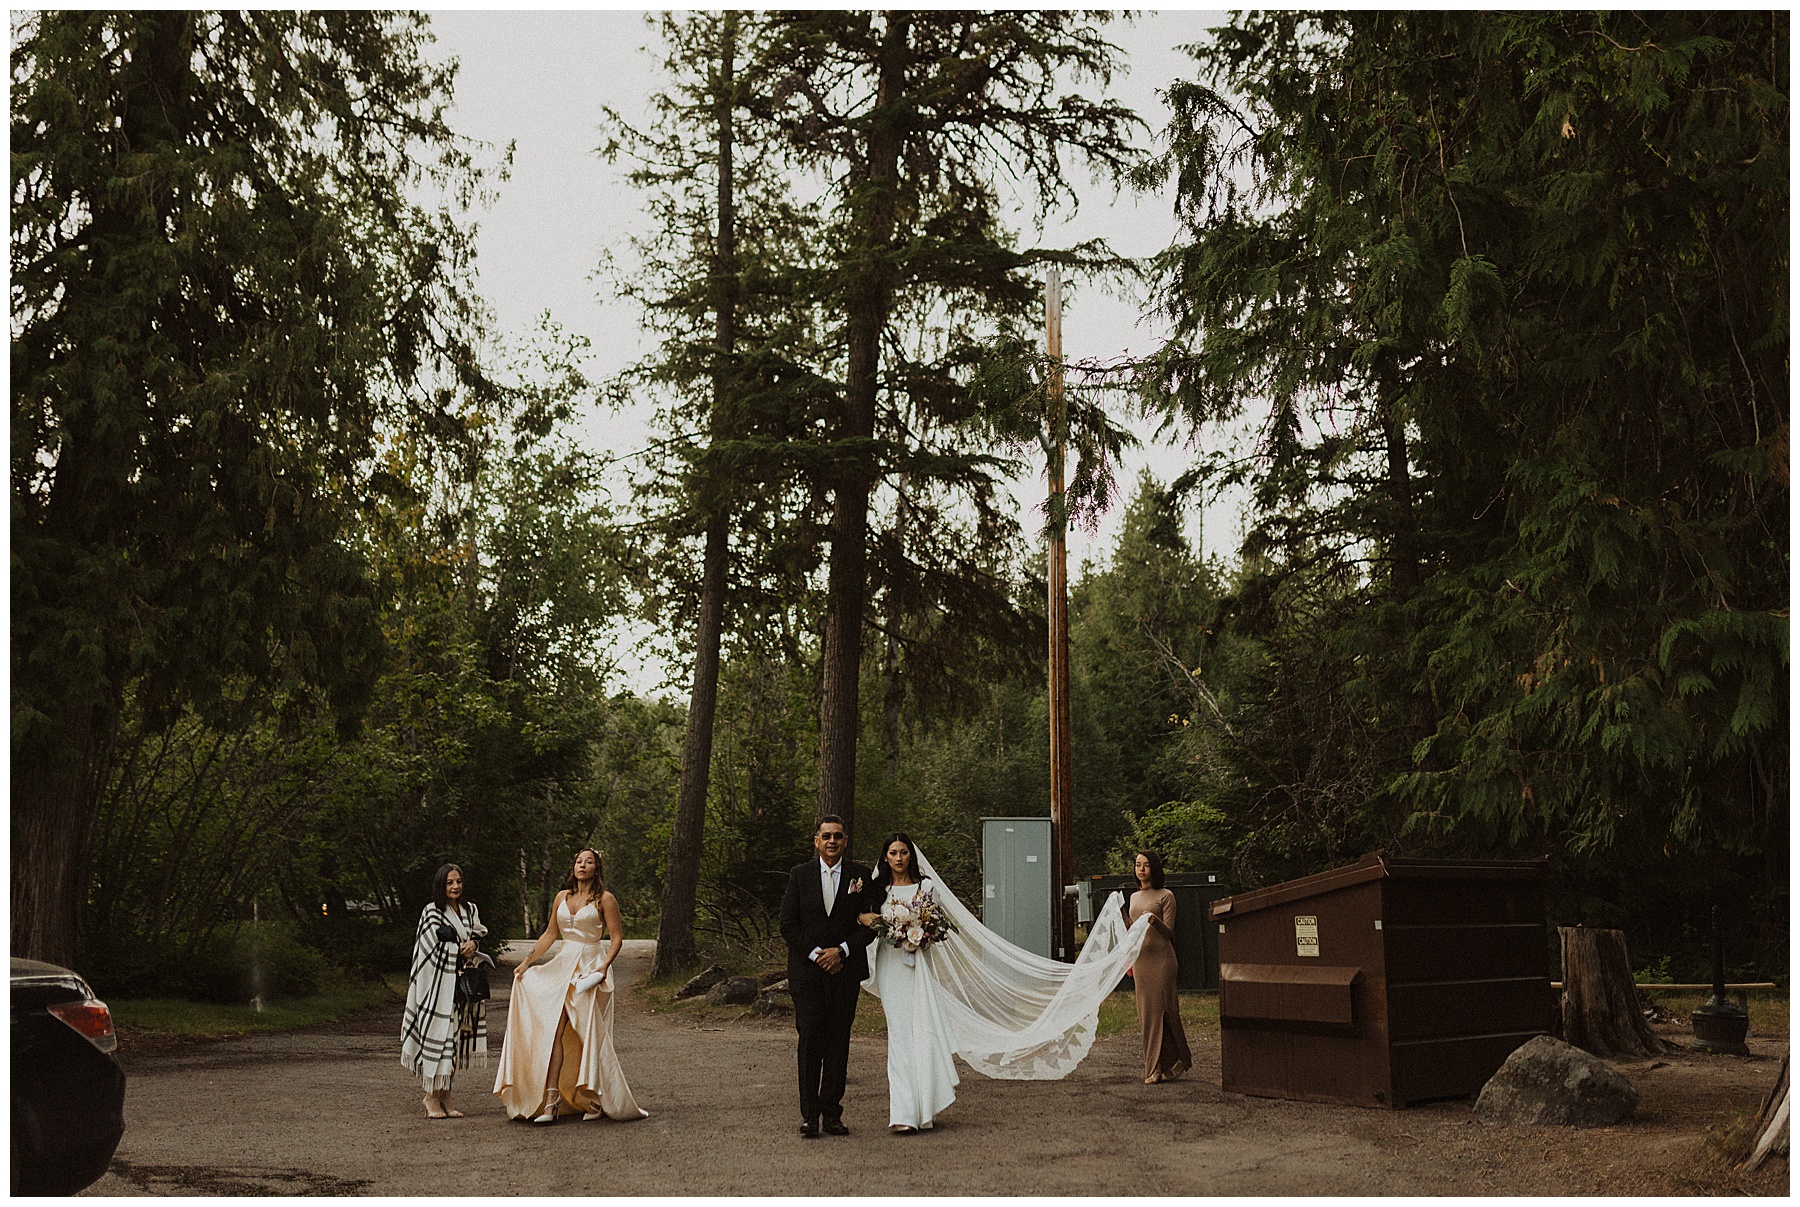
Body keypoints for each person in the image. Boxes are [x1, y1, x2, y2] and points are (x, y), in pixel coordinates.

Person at [493, 848, 648, 1124]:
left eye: (588, 862)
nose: (582, 865)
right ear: (573, 867)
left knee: (588, 1034)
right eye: (578, 861)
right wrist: (527, 962)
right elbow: (551, 934)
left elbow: (616, 939)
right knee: (555, 1028)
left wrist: (603, 967)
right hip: (563, 966)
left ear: (596, 868)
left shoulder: (605, 900)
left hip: (590, 969)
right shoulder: (562, 898)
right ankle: (551, 1100)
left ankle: (595, 1098)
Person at [778, 814, 874, 1138]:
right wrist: (818, 954)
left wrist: (842, 951)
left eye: (838, 836)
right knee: (810, 1041)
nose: (832, 841)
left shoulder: (860, 877)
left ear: (845, 841)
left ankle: (833, 1113)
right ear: (816, 841)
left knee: (838, 1042)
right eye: (826, 836)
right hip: (808, 974)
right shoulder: (800, 876)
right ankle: (810, 1116)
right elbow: (787, 925)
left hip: (845, 972)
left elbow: (871, 925)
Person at [856, 833, 959, 1134]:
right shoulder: (878, 889)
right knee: (899, 1036)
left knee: (923, 1032)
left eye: (903, 852)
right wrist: (884, 926)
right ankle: (902, 1112)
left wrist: (919, 935)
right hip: (892, 965)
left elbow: (936, 925)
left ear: (911, 856)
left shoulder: (926, 887)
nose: (899, 858)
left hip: (919, 967)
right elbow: (863, 917)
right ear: (885, 857)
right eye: (893, 853)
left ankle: (925, 1109)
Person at [401, 863, 491, 1119]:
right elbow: (427, 947)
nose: (455, 887)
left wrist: (473, 944)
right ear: (441, 885)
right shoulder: (432, 911)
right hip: (437, 986)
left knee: (455, 1041)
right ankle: (430, 1095)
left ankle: (446, 1094)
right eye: (450, 882)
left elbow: (477, 934)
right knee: (439, 1038)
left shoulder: (469, 909)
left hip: (462, 986)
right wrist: (456, 950)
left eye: (459, 882)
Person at [1126, 848, 1192, 1084]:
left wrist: (1154, 921)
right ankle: (1155, 1067)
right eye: (1137, 865)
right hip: (1142, 962)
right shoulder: (1134, 897)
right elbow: (1132, 931)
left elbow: (1168, 933)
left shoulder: (1166, 896)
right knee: (1147, 1015)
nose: (1140, 869)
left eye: (1145, 865)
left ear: (1154, 868)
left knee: (1165, 1012)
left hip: (1162, 962)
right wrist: (1122, 918)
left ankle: (1174, 1061)